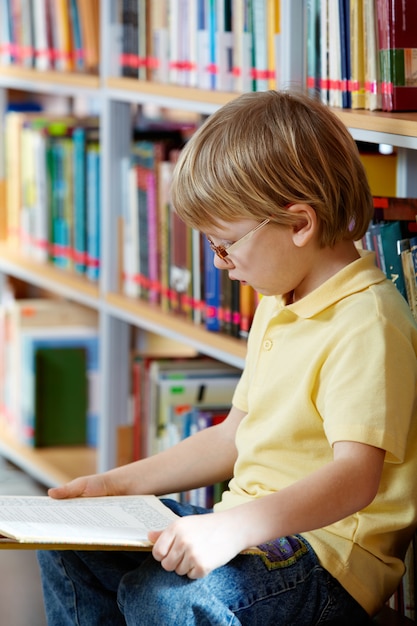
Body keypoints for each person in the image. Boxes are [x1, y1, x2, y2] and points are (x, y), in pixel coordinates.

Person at [37, 90, 417, 625]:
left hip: (326, 561)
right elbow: (231, 437)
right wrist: (113, 487)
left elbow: (355, 478)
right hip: (250, 530)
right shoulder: (280, 299)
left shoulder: (366, 322)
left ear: (299, 224)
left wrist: (232, 528)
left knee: (162, 598)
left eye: (225, 246)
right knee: (68, 541)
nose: (222, 266)